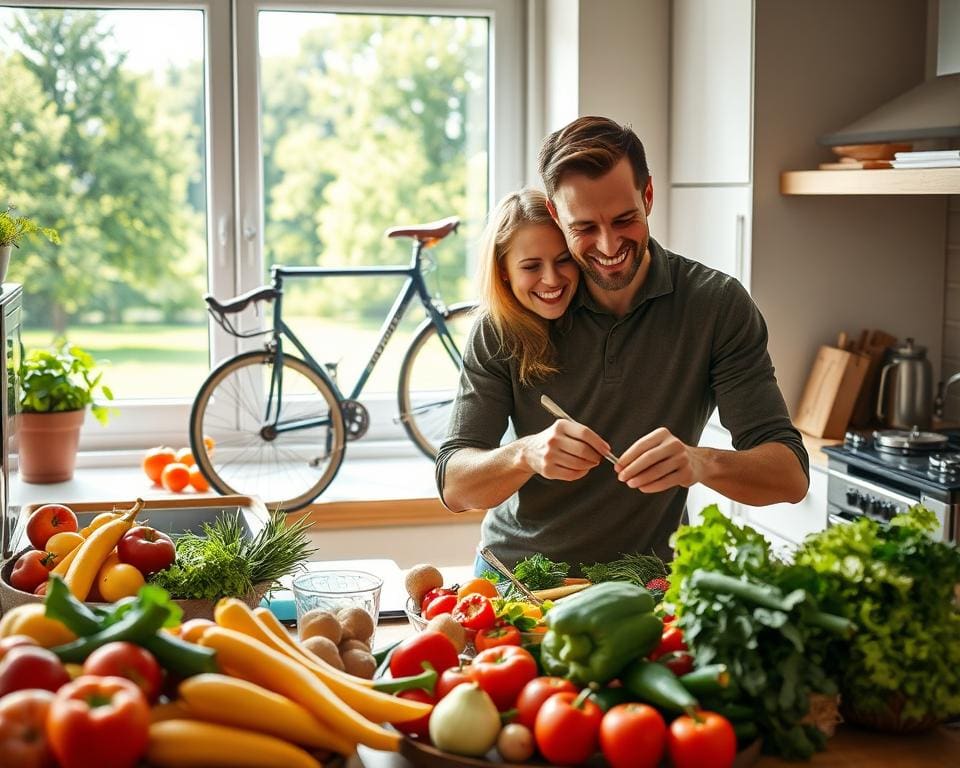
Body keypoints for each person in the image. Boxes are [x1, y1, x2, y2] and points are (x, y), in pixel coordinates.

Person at [437, 115, 809, 572]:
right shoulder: (515, 316)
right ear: (555, 214)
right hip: (518, 580)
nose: (609, 245)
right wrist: (525, 453)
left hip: (647, 586)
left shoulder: (716, 306)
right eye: (585, 227)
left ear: (647, 195)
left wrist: (701, 463)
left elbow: (789, 476)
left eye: (624, 219)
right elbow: (454, 485)